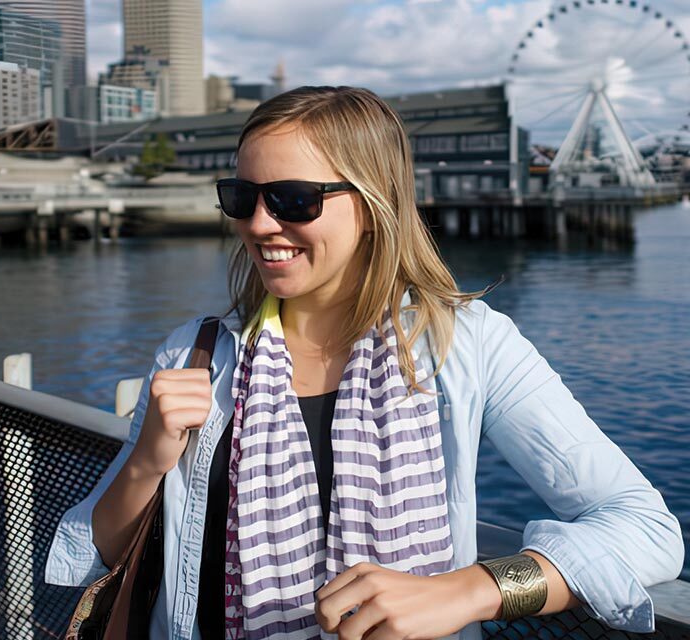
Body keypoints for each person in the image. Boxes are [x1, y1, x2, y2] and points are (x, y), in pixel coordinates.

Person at [46, 86, 683, 640]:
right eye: (241, 196)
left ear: (374, 205)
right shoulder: (195, 353)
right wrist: (150, 458)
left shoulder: (469, 344)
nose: (261, 223)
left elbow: (645, 527)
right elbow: (94, 551)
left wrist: (472, 590)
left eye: (294, 200)